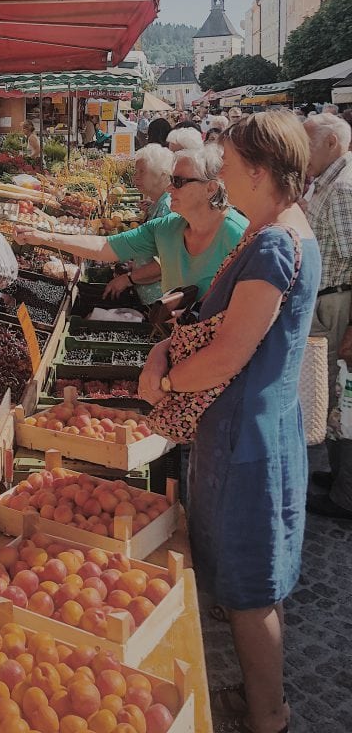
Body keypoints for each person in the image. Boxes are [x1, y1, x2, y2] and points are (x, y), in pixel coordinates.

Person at [139, 112, 319, 733]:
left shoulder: (272, 243)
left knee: (249, 591)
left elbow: (229, 354)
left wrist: (162, 381)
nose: (223, 177)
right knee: (248, 584)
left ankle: (270, 715)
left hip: (248, 438)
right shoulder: (281, 228)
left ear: (260, 172)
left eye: (232, 166)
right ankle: (261, 700)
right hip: (251, 429)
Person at [16, 145, 247, 299]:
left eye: (178, 181)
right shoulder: (168, 227)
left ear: (210, 188)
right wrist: (45, 237)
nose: (169, 187)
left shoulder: (240, 236)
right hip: (175, 340)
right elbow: (105, 247)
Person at [302, 113, 352, 520]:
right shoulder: (328, 180)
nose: (303, 153)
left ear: (332, 143)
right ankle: (337, 475)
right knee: (333, 389)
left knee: (338, 392)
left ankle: (344, 493)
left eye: (309, 144)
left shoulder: (342, 187)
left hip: (335, 302)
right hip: (327, 298)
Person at [103, 144, 173, 304]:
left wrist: (129, 279)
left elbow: (165, 263)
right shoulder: (159, 204)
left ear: (163, 174)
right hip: (148, 296)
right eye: (136, 171)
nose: (136, 177)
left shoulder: (168, 207)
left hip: (159, 301)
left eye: (142, 171)